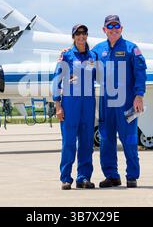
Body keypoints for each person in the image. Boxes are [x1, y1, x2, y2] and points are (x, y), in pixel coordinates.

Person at [93, 15, 147, 188]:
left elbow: (140, 73)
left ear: (121, 29)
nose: (113, 29)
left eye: (117, 27)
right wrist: (66, 53)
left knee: (129, 139)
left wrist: (139, 96)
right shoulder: (98, 50)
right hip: (106, 103)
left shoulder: (132, 49)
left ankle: (132, 176)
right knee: (106, 140)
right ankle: (112, 176)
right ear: (104, 30)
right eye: (110, 27)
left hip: (127, 102)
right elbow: (84, 61)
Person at [52, 24, 97, 190]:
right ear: (73, 37)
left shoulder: (93, 56)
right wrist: (58, 105)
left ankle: (83, 177)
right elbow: (56, 81)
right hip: (70, 103)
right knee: (69, 142)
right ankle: (66, 178)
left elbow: (100, 75)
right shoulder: (66, 56)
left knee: (86, 142)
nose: (81, 36)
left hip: (88, 103)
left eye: (84, 33)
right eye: (78, 34)